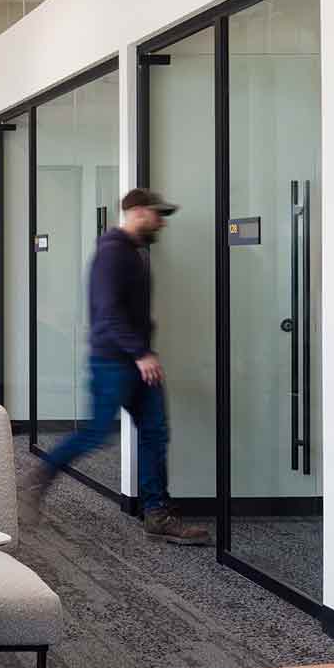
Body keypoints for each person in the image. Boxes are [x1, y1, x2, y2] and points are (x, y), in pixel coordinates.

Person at [32, 187, 209, 544]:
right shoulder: (113, 253)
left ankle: (157, 511)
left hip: (135, 360)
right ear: (138, 211)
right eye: (157, 214)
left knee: (155, 432)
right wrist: (140, 352)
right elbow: (108, 312)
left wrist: (143, 351)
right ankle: (39, 477)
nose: (161, 222)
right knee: (97, 431)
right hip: (114, 361)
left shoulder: (133, 252)